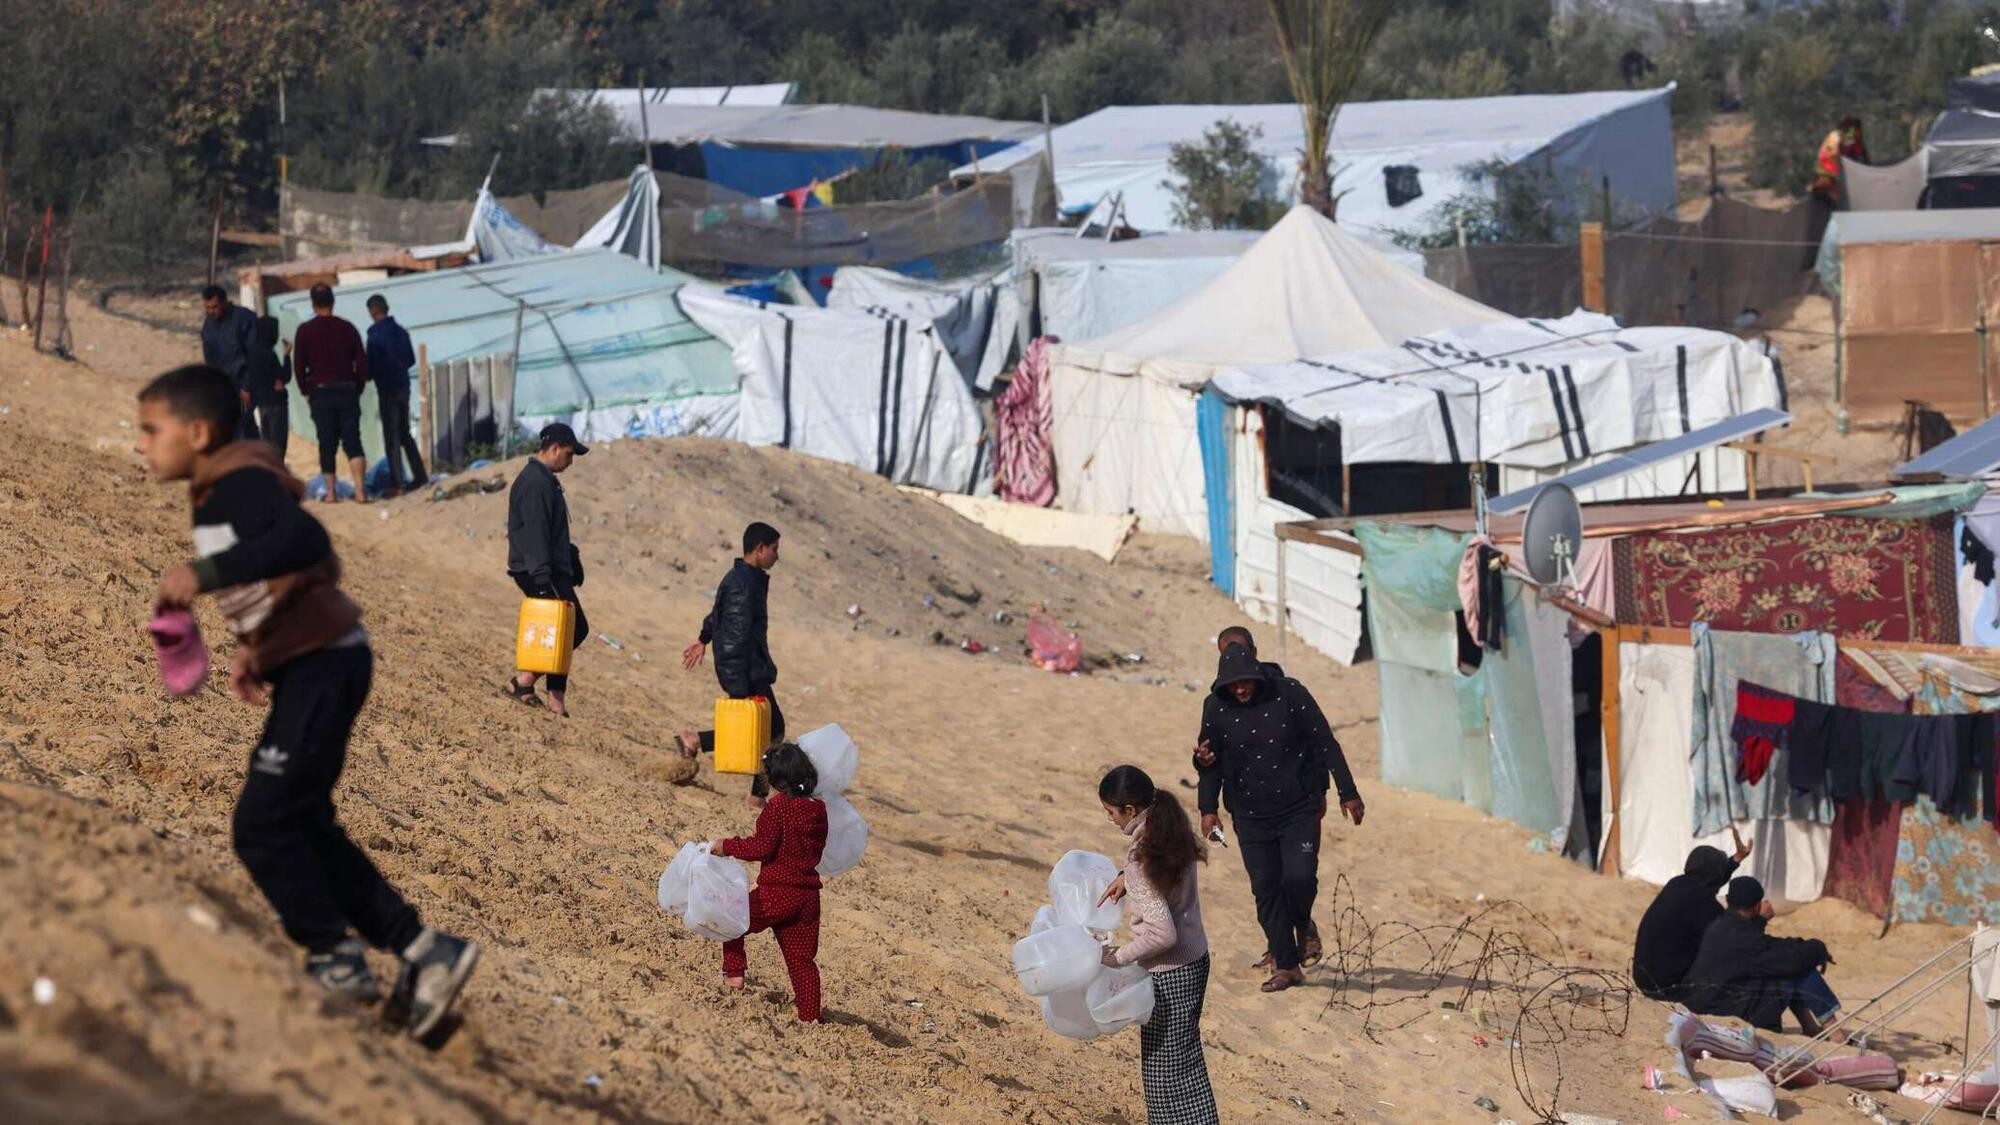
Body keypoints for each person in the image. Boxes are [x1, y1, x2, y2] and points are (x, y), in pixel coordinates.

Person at [135, 364, 478, 1037]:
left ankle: (334, 954)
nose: (141, 444)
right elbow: (291, 571)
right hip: (317, 662)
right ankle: (422, 950)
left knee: (260, 824)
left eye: (151, 430)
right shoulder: (221, 486)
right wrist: (258, 649)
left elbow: (305, 540)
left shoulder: (236, 483)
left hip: (328, 666)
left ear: (198, 432)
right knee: (304, 822)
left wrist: (200, 574)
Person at [1192, 645, 1363, 992]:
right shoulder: (1216, 708)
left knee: (1299, 877)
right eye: (1233, 684)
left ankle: (1301, 921)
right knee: (1266, 888)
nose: (1241, 689)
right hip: (1250, 813)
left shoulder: (1289, 693)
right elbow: (1209, 763)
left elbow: (1324, 742)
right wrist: (1208, 808)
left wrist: (1347, 791)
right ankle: (1287, 966)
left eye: (1246, 682)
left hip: (1298, 805)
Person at [1096, 765, 1217, 1125]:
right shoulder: (1168, 823)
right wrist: (1125, 878)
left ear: (1130, 811)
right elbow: (1157, 874)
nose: (1110, 819)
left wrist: (1116, 957)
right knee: (1186, 1065)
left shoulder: (1140, 860)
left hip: (1171, 974)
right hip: (1196, 959)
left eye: (1111, 812)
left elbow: (1162, 934)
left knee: (1166, 1079)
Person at [711, 743, 828, 1022]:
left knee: (732, 916)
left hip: (778, 892)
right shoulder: (819, 809)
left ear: (775, 781)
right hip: (808, 897)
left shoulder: (779, 807)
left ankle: (734, 973)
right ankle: (810, 1015)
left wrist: (727, 845)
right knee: (802, 961)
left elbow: (761, 848)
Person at [678, 522, 783, 804]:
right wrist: (741, 680)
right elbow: (737, 634)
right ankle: (757, 796)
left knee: (760, 726)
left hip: (747, 666)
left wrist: (703, 639)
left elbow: (717, 615)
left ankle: (696, 741)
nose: (777, 555)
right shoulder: (744, 583)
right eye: (774, 549)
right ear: (760, 549)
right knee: (771, 729)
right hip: (745, 668)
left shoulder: (743, 577)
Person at [1681, 876, 1841, 1037]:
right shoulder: (1747, 940)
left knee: (1788, 963)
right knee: (1799, 970)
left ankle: (1810, 1028)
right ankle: (1836, 1034)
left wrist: (1760, 921)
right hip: (1730, 1014)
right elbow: (1789, 959)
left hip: (1713, 1004)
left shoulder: (1720, 925)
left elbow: (1769, 946)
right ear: (1757, 906)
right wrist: (1819, 949)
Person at [504, 423, 589, 717]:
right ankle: (526, 682)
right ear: (554, 449)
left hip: (549, 568)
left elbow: (551, 532)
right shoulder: (534, 483)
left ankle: (552, 697)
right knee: (571, 629)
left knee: (569, 629)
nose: (570, 460)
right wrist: (541, 578)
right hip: (538, 569)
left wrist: (570, 559)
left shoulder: (545, 480)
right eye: (568, 454)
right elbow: (535, 534)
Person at [1631, 832, 1752, 1000]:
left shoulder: (1677, 884)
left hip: (1646, 979)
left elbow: (1709, 879)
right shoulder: (1705, 905)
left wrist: (1736, 859)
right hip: (1669, 987)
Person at [292, 283, 370, 503]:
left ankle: (331, 493)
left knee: (326, 443)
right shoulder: (347, 328)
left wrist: (306, 392)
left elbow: (299, 366)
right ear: (333, 301)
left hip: (321, 393)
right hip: (347, 390)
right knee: (353, 441)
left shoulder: (305, 331)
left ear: (313, 304)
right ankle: (361, 491)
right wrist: (357, 386)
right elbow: (362, 364)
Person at [365, 295, 426, 497]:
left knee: (391, 437)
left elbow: (371, 367)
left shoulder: (374, 335)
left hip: (387, 389)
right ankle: (420, 475)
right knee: (405, 433)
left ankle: (398, 483)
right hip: (403, 385)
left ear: (372, 312)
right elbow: (410, 359)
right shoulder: (400, 331)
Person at [199, 285, 261, 442]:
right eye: (207, 308)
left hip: (244, 384)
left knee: (241, 427)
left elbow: (254, 354)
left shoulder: (244, 319)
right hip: (224, 386)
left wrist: (247, 386)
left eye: (214, 307)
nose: (211, 311)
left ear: (224, 303)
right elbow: (210, 358)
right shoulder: (209, 325)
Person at [246, 315, 291, 459]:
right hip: (276, 404)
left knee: (268, 447)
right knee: (278, 447)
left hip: (262, 404)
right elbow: (285, 377)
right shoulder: (269, 354)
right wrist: (287, 355)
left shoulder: (252, 353)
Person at [1809, 116, 1868, 208]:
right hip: (1829, 182)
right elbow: (1849, 156)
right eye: (1858, 131)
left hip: (1826, 181)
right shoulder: (1842, 136)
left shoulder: (1836, 136)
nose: (1859, 134)